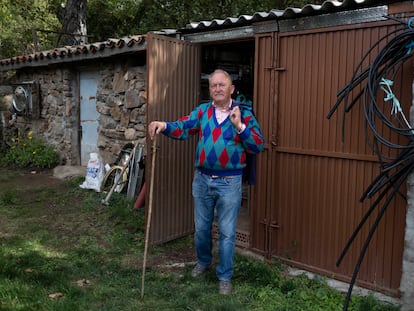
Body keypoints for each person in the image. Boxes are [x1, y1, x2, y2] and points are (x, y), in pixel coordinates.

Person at [148, 69, 264, 295]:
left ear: (231, 89)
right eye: (213, 86)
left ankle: (225, 275)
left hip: (229, 182)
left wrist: (240, 126)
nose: (218, 89)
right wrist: (164, 125)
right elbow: (183, 127)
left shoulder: (244, 113)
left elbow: (257, 145)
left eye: (222, 85)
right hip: (202, 180)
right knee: (201, 229)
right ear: (210, 90)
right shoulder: (202, 112)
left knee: (228, 232)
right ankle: (203, 262)